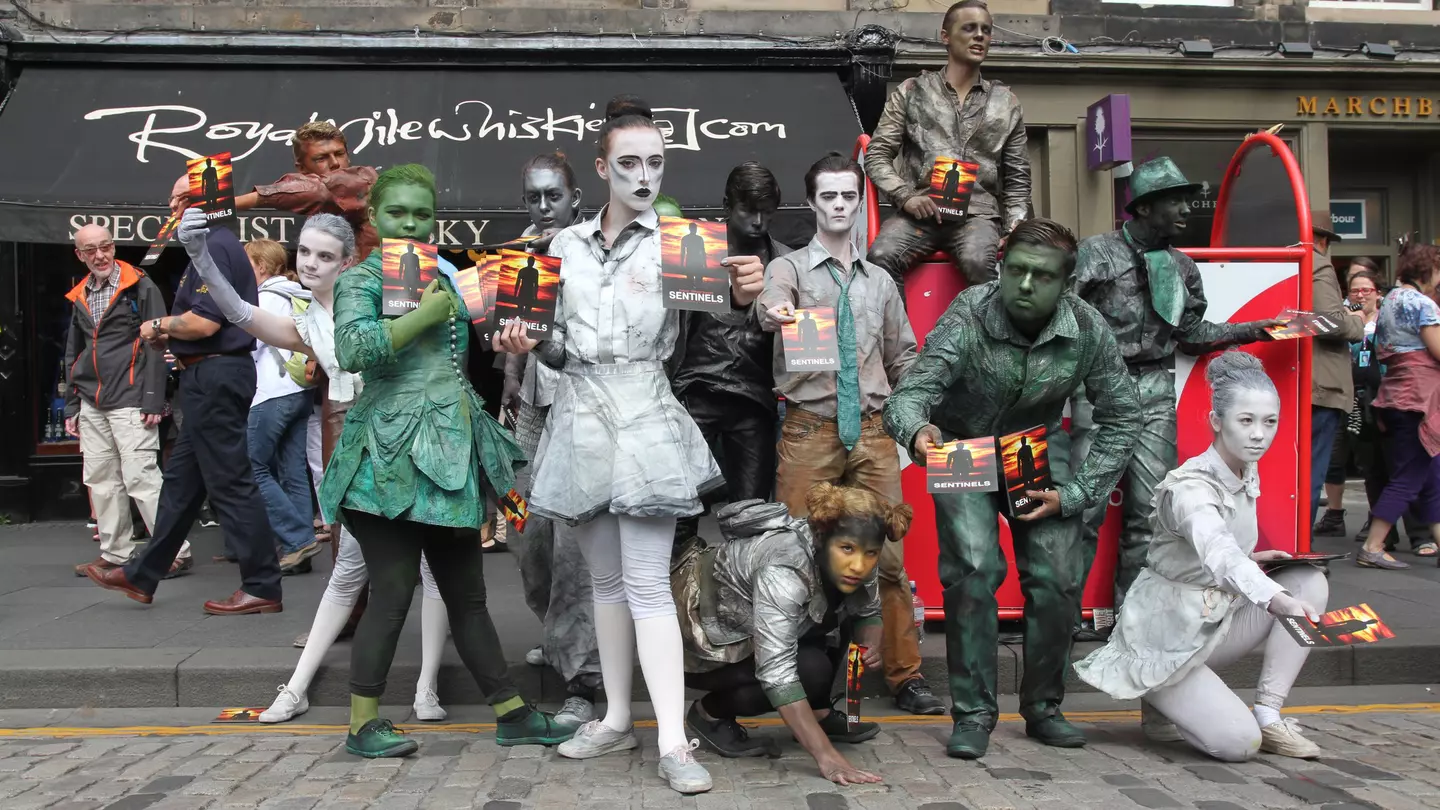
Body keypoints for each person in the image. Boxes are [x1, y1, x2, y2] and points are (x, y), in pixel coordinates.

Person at [494, 95, 766, 795]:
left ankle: (674, 741)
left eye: (655, 162)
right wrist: (528, 341)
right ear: (602, 167)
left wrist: (749, 292)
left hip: (645, 410)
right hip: (580, 415)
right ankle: (616, 718)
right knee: (605, 583)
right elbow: (552, 348)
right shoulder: (563, 246)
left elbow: (730, 319)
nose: (644, 175)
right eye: (630, 163)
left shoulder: (683, 240)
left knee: (645, 584)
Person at [176, 211, 458, 725]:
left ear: (347, 261)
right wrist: (198, 255)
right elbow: (238, 312)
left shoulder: (375, 299)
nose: (310, 263)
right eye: (304, 251)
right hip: (362, 452)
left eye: (325, 255)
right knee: (349, 569)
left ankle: (427, 686)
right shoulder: (307, 319)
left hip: (415, 440)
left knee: (432, 568)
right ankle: (297, 686)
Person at [883, 217, 1142, 759]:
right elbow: (913, 391)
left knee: (1056, 576)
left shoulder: (1087, 328)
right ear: (1001, 266)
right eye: (1016, 270)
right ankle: (973, 712)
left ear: (1066, 283)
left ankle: (1044, 706)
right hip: (964, 445)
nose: (1025, 285)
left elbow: (1123, 416)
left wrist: (1076, 494)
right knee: (974, 568)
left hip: (1035, 446)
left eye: (1042, 276)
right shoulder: (971, 312)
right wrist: (918, 430)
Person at [1075, 350, 1331, 762]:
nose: (1259, 435)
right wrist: (1276, 598)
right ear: (1217, 421)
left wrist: (1259, 559)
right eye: (1245, 421)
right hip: (1167, 634)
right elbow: (1218, 551)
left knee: (1307, 579)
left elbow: (1219, 552)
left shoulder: (1245, 467)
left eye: (1270, 422)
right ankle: (1161, 692)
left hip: (1216, 618)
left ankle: (1269, 714)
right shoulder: (1190, 487)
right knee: (1237, 745)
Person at [758, 151, 943, 718]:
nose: (839, 205)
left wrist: (920, 415)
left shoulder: (881, 282)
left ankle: (902, 675)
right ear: (812, 203)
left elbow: (903, 356)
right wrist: (779, 312)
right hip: (810, 428)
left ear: (860, 202)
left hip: (873, 430)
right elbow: (769, 304)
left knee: (887, 559)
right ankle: (790, 674)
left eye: (848, 196)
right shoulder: (789, 269)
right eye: (828, 196)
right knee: (795, 553)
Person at [1071, 157, 1279, 608]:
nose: (1187, 208)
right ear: (1144, 208)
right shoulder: (1095, 252)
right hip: (1099, 389)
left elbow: (1191, 336)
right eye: (1175, 200)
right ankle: (1058, 624)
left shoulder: (1183, 268)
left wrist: (1258, 327)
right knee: (1081, 510)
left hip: (1154, 392)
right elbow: (1061, 318)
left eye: (1187, 199)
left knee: (1152, 514)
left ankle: (1132, 623)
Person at [83, 176, 282, 615]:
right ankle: (143, 574)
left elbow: (206, 324)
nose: (171, 206)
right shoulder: (209, 246)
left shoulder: (213, 245)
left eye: (178, 199)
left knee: (231, 482)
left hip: (213, 372)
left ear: (197, 203)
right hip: (205, 375)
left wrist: (159, 326)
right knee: (181, 485)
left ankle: (262, 585)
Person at [675, 484, 906, 785]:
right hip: (701, 642)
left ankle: (818, 713)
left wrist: (871, 640)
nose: (859, 564)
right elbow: (777, 672)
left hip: (761, 630)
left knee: (841, 605)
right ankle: (710, 714)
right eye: (847, 549)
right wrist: (827, 756)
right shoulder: (784, 566)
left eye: (871, 553)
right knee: (810, 670)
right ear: (822, 537)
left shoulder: (858, 554)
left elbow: (867, 610)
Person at [502, 150, 602, 731]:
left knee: (571, 554)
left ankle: (579, 678)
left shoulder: (588, 253)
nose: (543, 207)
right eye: (534, 197)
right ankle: (553, 626)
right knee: (528, 537)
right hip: (531, 411)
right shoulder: (522, 256)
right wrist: (511, 382)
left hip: (580, 410)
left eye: (553, 196)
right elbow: (508, 335)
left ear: (575, 200)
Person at [864, 0, 1030, 291]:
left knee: (979, 260)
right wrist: (906, 197)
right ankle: (901, 338)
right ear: (945, 36)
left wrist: (1015, 228)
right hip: (920, 211)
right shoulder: (912, 91)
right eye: (969, 28)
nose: (979, 35)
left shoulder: (1007, 103)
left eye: (986, 30)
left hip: (977, 216)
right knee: (880, 257)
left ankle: (985, 336)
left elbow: (1018, 179)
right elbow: (876, 155)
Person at [669, 162, 791, 541]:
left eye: (767, 211)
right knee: (680, 513)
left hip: (753, 401)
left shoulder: (786, 263)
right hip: (694, 394)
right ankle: (677, 592)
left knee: (751, 515)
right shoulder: (694, 249)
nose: (758, 221)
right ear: (726, 205)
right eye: (748, 210)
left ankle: (743, 593)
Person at [64, 225, 192, 577]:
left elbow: (157, 343)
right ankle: (115, 551)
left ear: (114, 246)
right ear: (80, 255)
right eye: (90, 250)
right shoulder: (81, 293)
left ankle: (175, 550)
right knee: (102, 478)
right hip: (93, 399)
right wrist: (72, 402)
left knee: (141, 477)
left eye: (105, 247)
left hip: (131, 396)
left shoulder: (139, 286)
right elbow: (74, 351)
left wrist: (153, 398)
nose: (100, 255)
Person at [1356, 241, 1440, 570]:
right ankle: (1373, 545)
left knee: (1431, 475)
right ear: (1426, 269)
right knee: (1408, 477)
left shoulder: (1390, 299)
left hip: (1394, 395)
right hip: (1418, 401)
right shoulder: (1422, 304)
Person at [242, 239, 321, 575]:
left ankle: (296, 539)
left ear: (260, 266)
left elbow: (251, 342)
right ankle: (299, 550)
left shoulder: (264, 299)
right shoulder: (298, 293)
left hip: (270, 390)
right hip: (299, 389)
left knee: (252, 466)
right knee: (293, 470)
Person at [236, 120, 380, 260]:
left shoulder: (366, 179)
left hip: (386, 276)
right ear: (302, 169)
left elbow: (320, 191)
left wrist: (225, 205)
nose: (335, 163)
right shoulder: (303, 201)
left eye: (339, 154)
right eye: (321, 158)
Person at [1304, 212, 1366, 534]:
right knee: (1311, 470)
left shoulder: (1285, 262)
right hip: (1321, 384)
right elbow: (1329, 322)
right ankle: (1299, 544)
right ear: (1323, 240)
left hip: (1293, 379)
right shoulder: (1317, 263)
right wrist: (1357, 321)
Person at [1316, 267, 1383, 539]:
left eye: (1366, 290)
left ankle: (1374, 517)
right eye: (1355, 290)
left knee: (1369, 461)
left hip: (1372, 398)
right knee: (1334, 458)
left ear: (1377, 293)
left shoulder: (1385, 319)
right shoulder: (1344, 315)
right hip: (1343, 393)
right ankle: (1334, 514)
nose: (1360, 295)